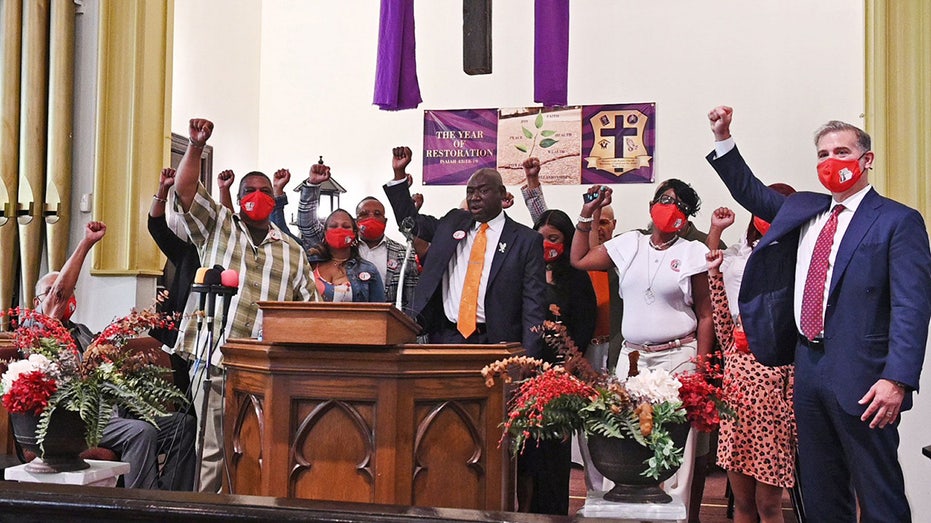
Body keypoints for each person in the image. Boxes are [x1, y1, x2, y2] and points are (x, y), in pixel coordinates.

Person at [706, 105, 931, 521]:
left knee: (878, 490)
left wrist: (897, 379)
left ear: (867, 160)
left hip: (866, 377)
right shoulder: (806, 210)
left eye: (842, 152)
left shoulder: (898, 221)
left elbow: (912, 307)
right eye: (823, 155)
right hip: (807, 367)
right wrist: (724, 136)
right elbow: (750, 191)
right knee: (821, 490)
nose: (831, 162)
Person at [171, 118, 318, 493]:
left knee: (260, 451)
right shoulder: (218, 225)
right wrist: (195, 146)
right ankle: (206, 513)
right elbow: (185, 189)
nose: (257, 195)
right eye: (249, 190)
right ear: (239, 199)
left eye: (265, 190)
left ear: (274, 199)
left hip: (269, 370)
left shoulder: (293, 251)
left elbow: (311, 313)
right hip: (214, 360)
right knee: (212, 452)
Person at [570, 181, 713, 517]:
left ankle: (674, 516)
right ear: (651, 205)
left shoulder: (692, 252)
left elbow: (706, 315)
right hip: (632, 358)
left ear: (686, 216)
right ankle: (624, 514)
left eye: (678, 203)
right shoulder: (630, 243)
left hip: (678, 357)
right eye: (663, 199)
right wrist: (587, 214)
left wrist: (703, 369)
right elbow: (579, 259)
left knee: (675, 447)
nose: (668, 206)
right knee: (623, 435)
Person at [35, 221, 196, 491]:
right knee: (140, 433)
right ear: (37, 300)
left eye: (68, 291)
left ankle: (172, 502)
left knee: (183, 424)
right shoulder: (39, 330)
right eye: (50, 292)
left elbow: (109, 370)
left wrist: (127, 367)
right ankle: (142, 508)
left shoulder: (84, 332)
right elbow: (58, 295)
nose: (63, 297)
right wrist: (86, 243)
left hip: (111, 413)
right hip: (74, 421)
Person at [383, 145, 547, 355]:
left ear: (502, 193)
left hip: (498, 341)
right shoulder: (453, 222)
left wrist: (529, 356)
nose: (475, 197)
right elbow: (410, 222)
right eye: (470, 192)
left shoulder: (526, 240)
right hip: (446, 337)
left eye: (483, 191)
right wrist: (399, 175)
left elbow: (534, 303)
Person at [705, 208, 797, 523]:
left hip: (772, 426)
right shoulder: (734, 339)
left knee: (769, 506)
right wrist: (715, 274)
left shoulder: (784, 340)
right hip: (736, 420)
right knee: (742, 505)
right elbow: (719, 313)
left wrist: (797, 434)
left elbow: (793, 388)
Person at [518, 208, 596, 514]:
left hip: (559, 382)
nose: (546, 244)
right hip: (525, 378)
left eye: (554, 238)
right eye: (541, 238)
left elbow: (582, 332)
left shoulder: (576, 280)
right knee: (523, 462)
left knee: (551, 459)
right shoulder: (524, 272)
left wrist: (561, 378)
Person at [292, 164, 405, 305]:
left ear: (354, 231)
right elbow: (306, 223)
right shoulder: (311, 262)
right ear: (325, 232)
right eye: (333, 226)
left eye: (345, 226)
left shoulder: (368, 268)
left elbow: (379, 313)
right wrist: (312, 185)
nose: (339, 229)